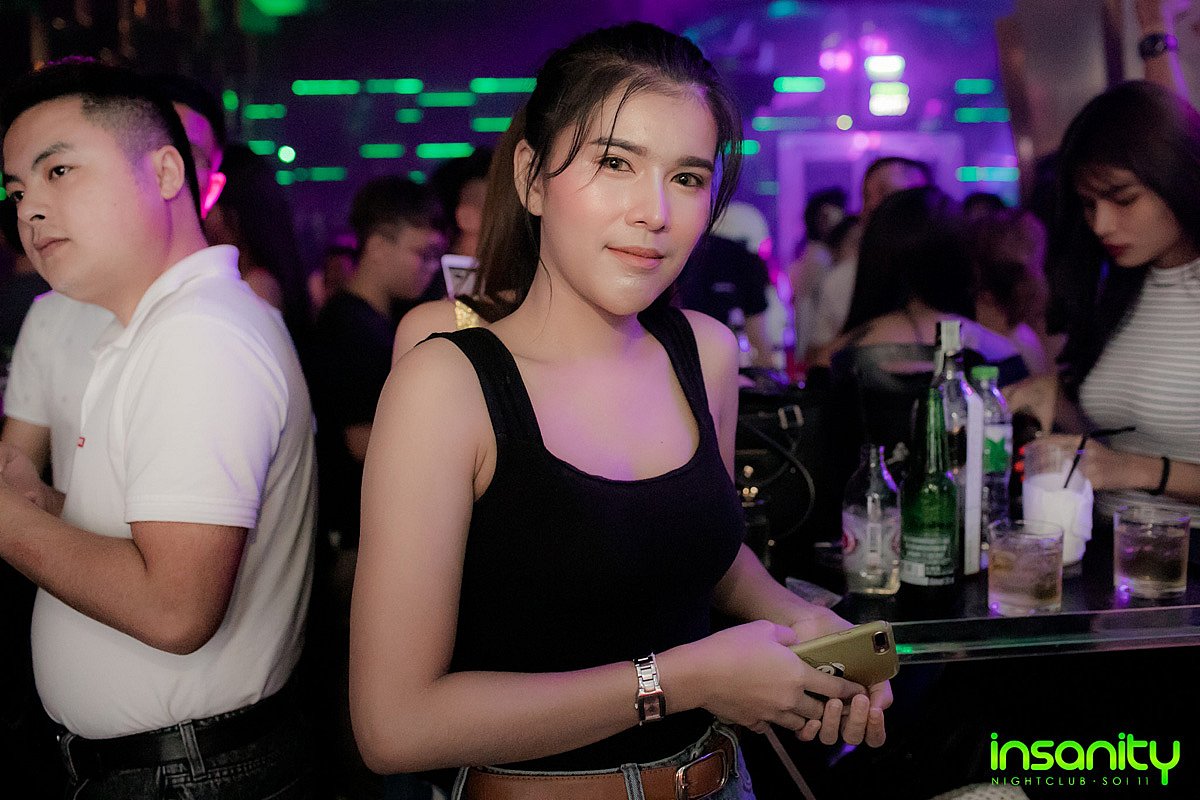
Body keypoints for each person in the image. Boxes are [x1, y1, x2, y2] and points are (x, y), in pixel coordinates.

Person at [350, 22, 891, 800]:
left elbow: (698, 548)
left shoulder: (705, 352)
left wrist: (807, 625)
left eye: (688, 177)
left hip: (722, 782)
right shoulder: (447, 385)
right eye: (615, 163)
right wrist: (685, 678)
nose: (655, 212)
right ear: (532, 177)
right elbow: (393, 726)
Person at [0, 60, 315, 799]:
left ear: (168, 172)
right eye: (16, 191)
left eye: (59, 171)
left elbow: (175, 608)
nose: (31, 209)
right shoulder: (152, 327)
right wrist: (43, 506)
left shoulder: (199, 336)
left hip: (190, 775)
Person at [1009, 80, 1200, 525]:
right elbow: (1119, 438)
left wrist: (1136, 470)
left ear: (1180, 178)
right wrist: (1057, 398)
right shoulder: (1117, 286)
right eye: (1089, 204)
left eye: (1123, 199)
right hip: (1109, 542)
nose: (1101, 224)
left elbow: (1122, 462)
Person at [805, 156, 931, 361]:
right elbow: (816, 359)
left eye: (885, 193)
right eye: (866, 197)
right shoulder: (842, 280)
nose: (871, 206)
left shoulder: (950, 272)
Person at [204, 142, 313, 351]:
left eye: (210, 198)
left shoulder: (257, 287)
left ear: (234, 212)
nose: (204, 212)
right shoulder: (264, 279)